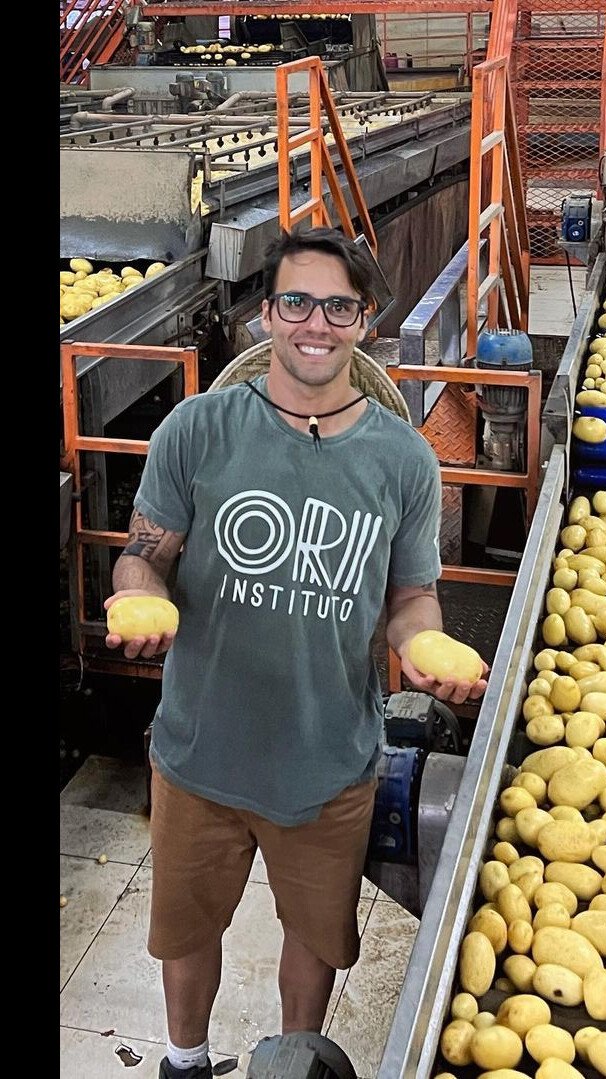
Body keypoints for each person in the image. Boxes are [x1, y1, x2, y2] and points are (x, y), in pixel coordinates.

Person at [103, 227, 488, 1079]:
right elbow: (145, 549)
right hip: (200, 753)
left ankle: (294, 1058)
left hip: (328, 763)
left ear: (365, 321)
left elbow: (407, 594)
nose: (317, 322)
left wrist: (421, 635)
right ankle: (185, 1059)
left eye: (339, 305)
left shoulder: (402, 461)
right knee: (188, 928)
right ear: (266, 315)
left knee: (314, 938)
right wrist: (139, 587)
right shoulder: (198, 429)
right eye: (297, 302)